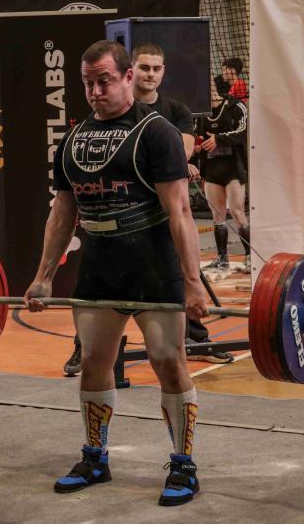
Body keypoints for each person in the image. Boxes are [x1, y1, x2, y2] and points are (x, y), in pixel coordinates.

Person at [25, 40, 206, 506]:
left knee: (168, 360)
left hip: (153, 265)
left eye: (104, 81)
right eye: (87, 83)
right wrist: (44, 276)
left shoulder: (157, 133)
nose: (95, 91)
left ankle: (183, 464)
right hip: (100, 265)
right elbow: (62, 215)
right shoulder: (72, 141)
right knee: (92, 361)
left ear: (128, 77)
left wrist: (192, 282)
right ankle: (95, 457)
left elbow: (180, 211)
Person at [61, 42, 232, 374]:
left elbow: (182, 151)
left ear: (162, 72)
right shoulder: (104, 109)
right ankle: (84, 348)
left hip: (157, 220)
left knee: (179, 277)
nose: (150, 74)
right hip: (113, 231)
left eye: (156, 69)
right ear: (131, 72)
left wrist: (171, 165)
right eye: (144, 68)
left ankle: (197, 338)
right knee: (97, 299)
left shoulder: (174, 112)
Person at [197, 75, 250, 271]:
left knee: (237, 212)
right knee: (217, 215)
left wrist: (218, 139)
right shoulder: (199, 112)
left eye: (209, 85)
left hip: (233, 168)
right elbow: (196, 137)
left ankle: (250, 256)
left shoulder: (236, 107)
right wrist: (196, 148)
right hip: (212, 169)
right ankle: (222, 258)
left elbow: (243, 132)